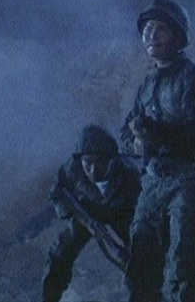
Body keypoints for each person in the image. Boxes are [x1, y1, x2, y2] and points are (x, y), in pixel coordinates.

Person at [121, 0, 195, 302]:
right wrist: (136, 141)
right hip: (154, 181)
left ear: (178, 36)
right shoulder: (147, 84)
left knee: (184, 267)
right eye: (147, 29)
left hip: (189, 180)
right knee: (141, 266)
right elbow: (127, 131)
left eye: (160, 29)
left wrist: (152, 133)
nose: (151, 35)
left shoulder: (194, 79)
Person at [42, 124, 141, 302]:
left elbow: (142, 210)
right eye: (88, 163)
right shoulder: (71, 169)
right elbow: (57, 194)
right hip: (88, 211)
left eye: (100, 162)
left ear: (111, 159)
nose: (93, 170)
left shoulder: (129, 173)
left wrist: (129, 246)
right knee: (60, 253)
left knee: (139, 257)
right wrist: (87, 223)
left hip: (123, 212)